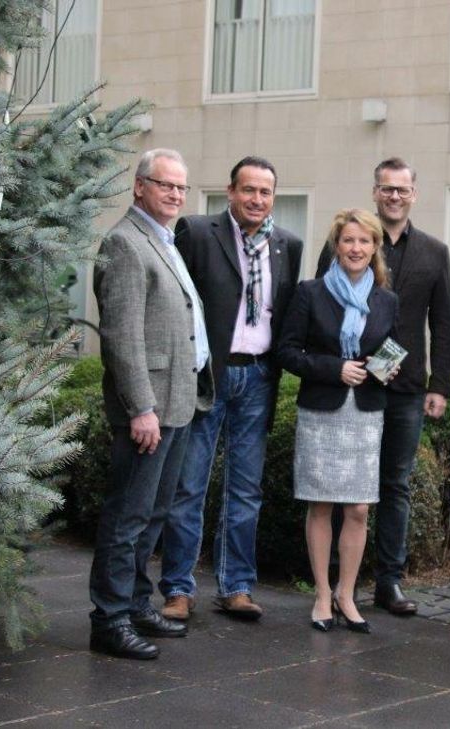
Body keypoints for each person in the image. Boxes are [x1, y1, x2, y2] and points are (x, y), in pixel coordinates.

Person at [158, 156, 303, 622]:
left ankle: (236, 587)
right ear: (230, 191)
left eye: (265, 192)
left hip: (259, 377)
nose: (257, 200)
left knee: (246, 490)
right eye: (248, 190)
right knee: (189, 486)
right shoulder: (199, 233)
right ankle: (178, 589)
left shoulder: (288, 245)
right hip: (210, 378)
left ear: (273, 198)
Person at [315, 158, 450, 616]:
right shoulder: (350, 244)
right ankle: (336, 583)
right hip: (353, 385)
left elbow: (444, 323)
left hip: (407, 388)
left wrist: (440, 385)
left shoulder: (434, 252)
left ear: (415, 193)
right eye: (386, 189)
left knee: (394, 484)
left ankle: (389, 582)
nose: (395, 196)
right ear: (375, 192)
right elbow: (320, 310)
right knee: (342, 486)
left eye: (403, 189)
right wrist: (334, 366)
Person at [88, 149, 213, 660]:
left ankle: (138, 603)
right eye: (166, 185)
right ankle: (110, 619)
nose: (176, 195)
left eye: (182, 188)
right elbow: (121, 337)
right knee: (128, 516)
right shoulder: (123, 243)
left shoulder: (163, 240)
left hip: (179, 402)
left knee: (155, 512)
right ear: (139, 187)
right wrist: (140, 407)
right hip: (149, 409)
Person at [279, 209, 399, 634]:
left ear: (374, 248)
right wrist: (335, 368)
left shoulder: (386, 299)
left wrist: (387, 368)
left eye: (364, 241)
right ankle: (322, 595)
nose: (356, 248)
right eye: (348, 240)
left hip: (365, 412)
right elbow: (288, 351)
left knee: (359, 508)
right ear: (337, 245)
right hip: (323, 410)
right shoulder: (311, 293)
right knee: (321, 503)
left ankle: (347, 594)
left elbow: (391, 351)